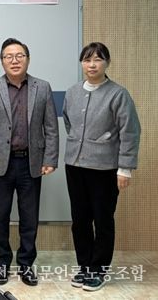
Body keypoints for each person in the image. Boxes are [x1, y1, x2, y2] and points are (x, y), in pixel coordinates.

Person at [0, 38, 59, 287]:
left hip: (31, 162)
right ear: (2, 61)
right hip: (0, 163)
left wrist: (50, 158)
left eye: (19, 55)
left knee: (29, 217)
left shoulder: (42, 87)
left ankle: (26, 264)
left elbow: (51, 127)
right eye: (8, 56)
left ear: (28, 59)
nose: (14, 60)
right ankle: (2, 263)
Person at [63, 42, 141, 292]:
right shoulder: (72, 92)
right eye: (87, 60)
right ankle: (84, 267)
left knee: (103, 220)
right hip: (75, 165)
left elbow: (130, 132)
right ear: (81, 63)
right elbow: (69, 123)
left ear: (107, 63)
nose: (92, 65)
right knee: (80, 220)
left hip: (105, 169)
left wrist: (125, 168)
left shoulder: (118, 94)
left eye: (98, 59)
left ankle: (99, 270)